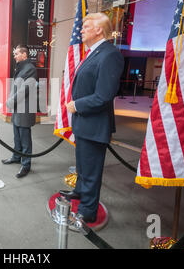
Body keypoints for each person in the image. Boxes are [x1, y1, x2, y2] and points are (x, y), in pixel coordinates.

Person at [59, 12, 124, 229]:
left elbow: (104, 95)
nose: (81, 29)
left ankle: (87, 212)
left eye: (86, 26)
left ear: (99, 30)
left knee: (91, 171)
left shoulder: (110, 55)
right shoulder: (94, 53)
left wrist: (76, 105)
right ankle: (79, 192)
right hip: (85, 123)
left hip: (95, 125)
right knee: (83, 167)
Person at [1, 44, 37, 178]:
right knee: (17, 135)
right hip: (18, 108)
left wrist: (11, 101)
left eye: (16, 54)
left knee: (25, 138)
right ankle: (16, 156)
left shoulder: (30, 69)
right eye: (14, 54)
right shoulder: (21, 67)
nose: (14, 56)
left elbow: (24, 90)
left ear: (24, 55)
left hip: (25, 109)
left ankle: (26, 164)